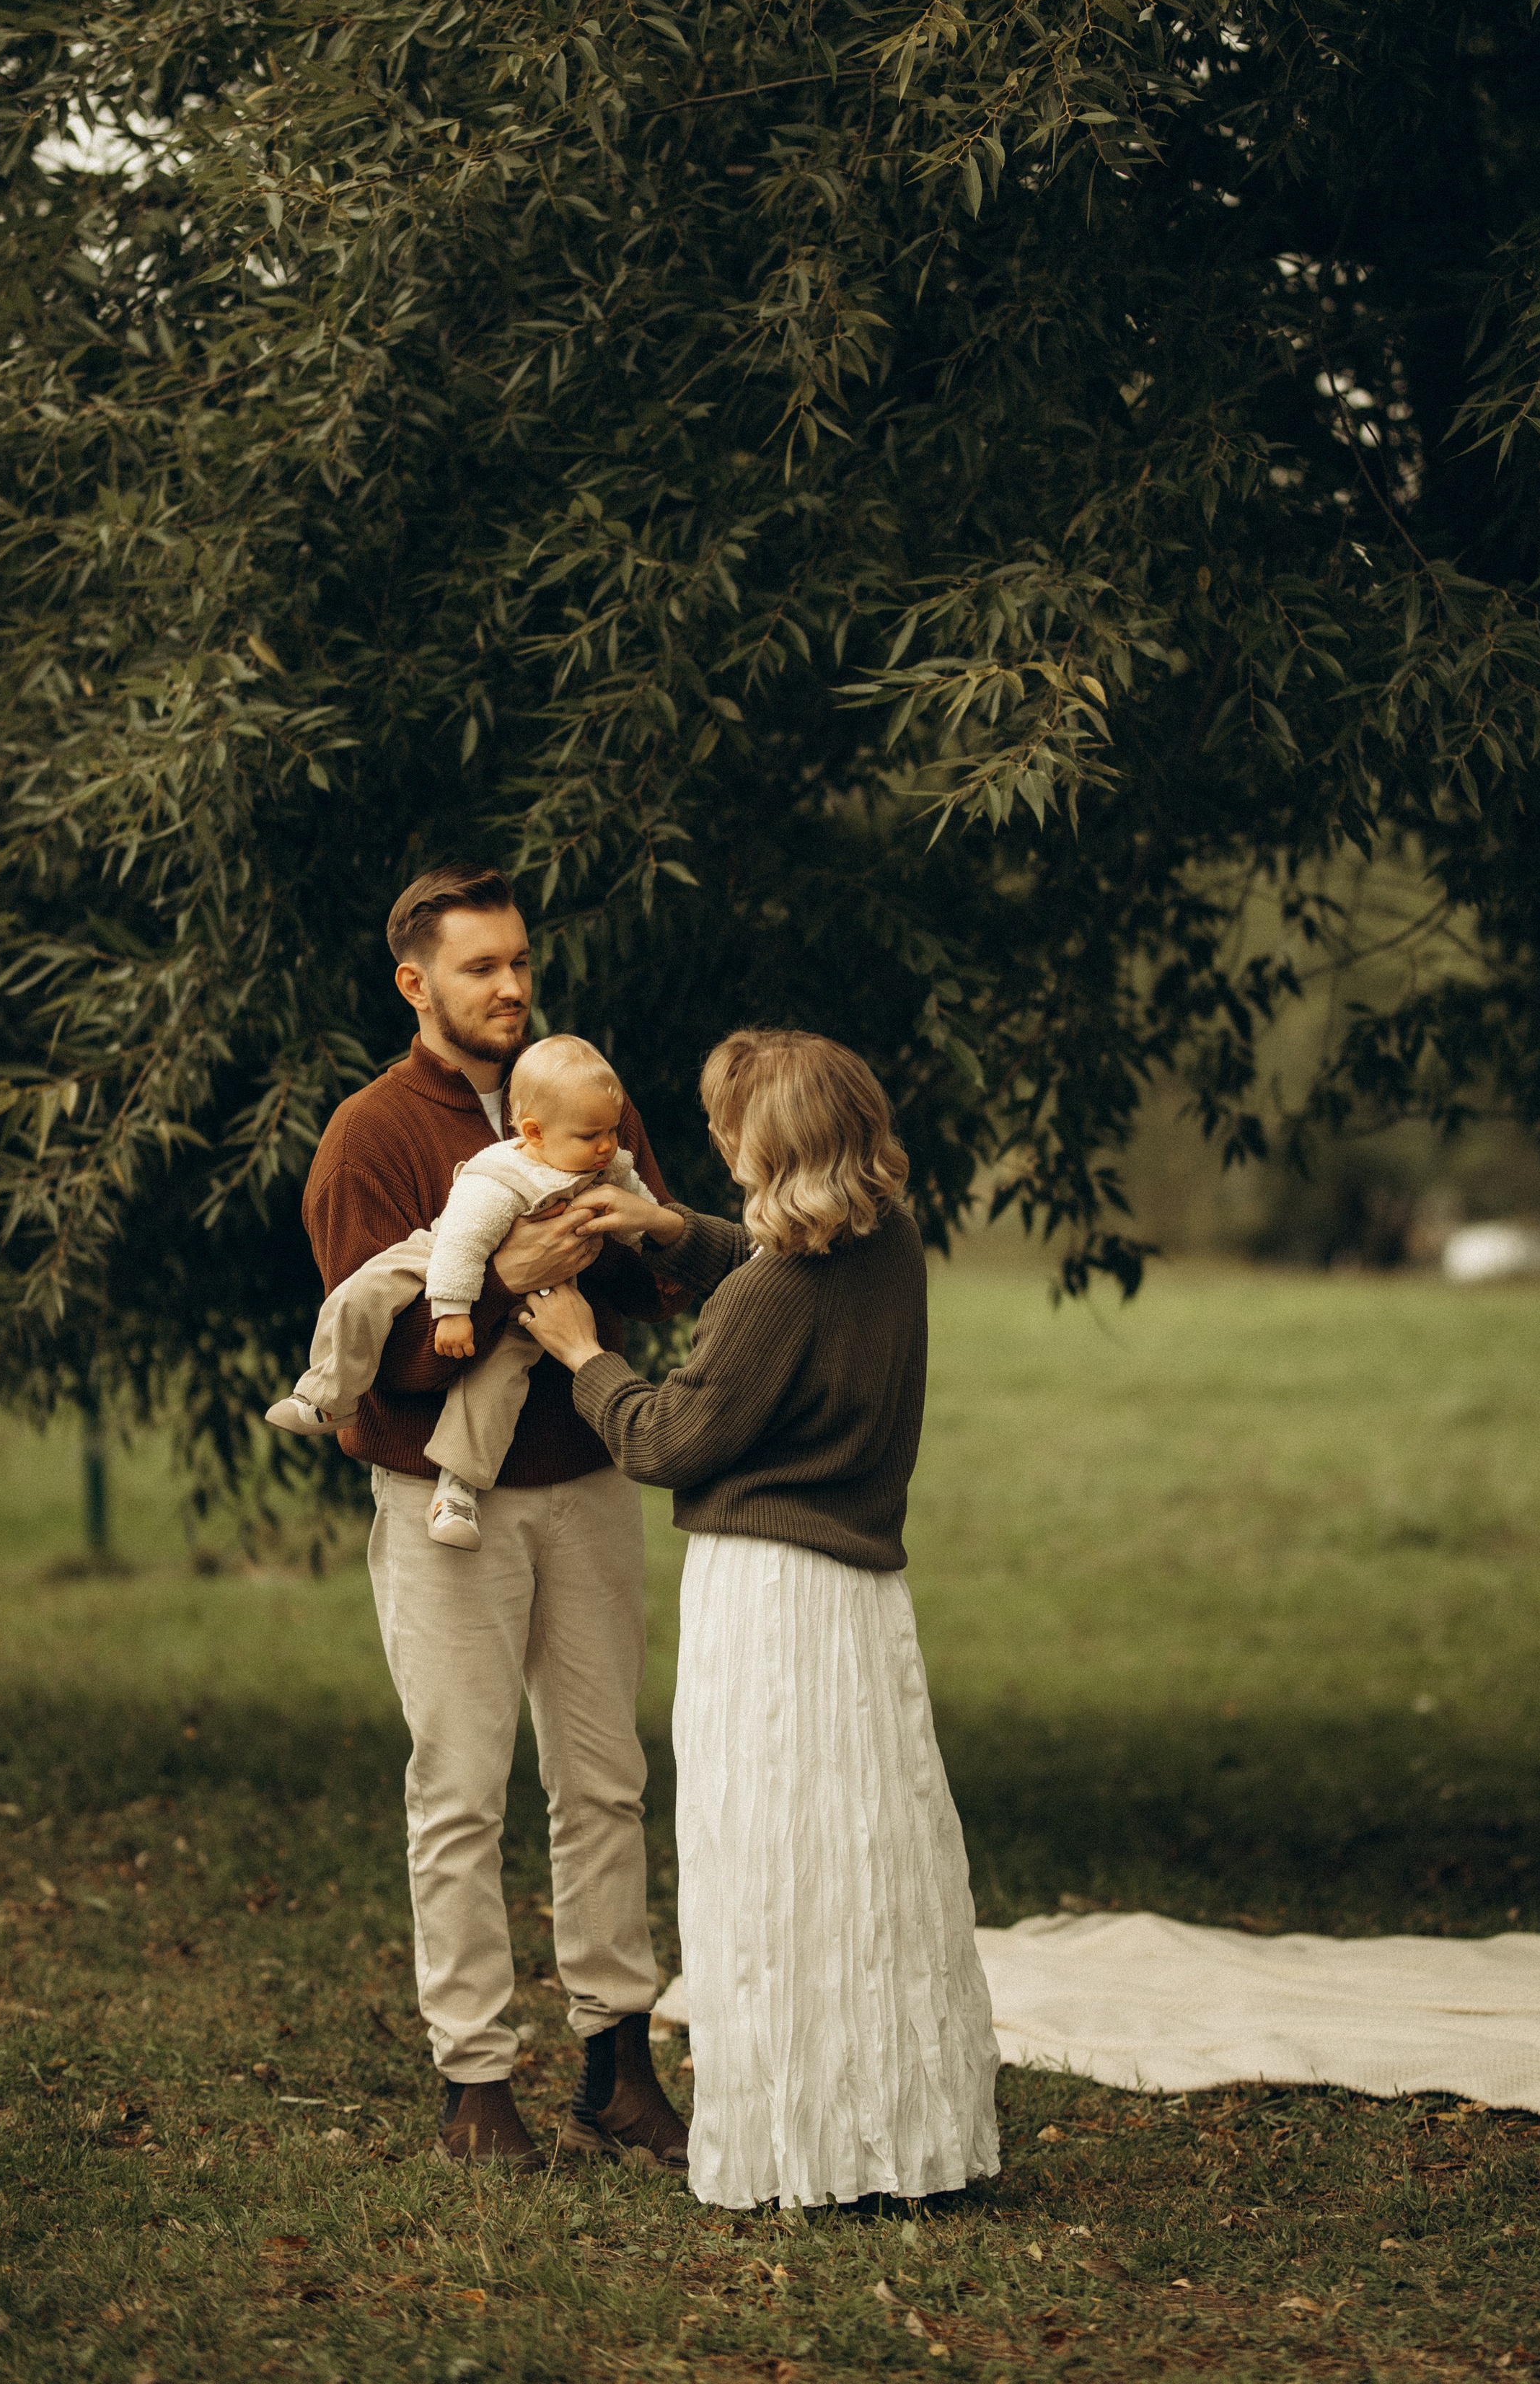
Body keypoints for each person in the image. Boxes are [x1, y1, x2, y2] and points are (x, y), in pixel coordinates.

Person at [521, 1026, 1000, 2209]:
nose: (719, 1150)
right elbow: (776, 1261)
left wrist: (585, 1354)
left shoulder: (766, 1302)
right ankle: (901, 2130)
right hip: (862, 1604)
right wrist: (664, 1228)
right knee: (866, 1862)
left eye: (732, 1136)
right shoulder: (890, 1244)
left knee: (778, 1860)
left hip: (772, 1604)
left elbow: (665, 1438)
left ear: (766, 1152)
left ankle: (804, 2144)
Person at [299, 863, 690, 2174]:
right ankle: (474, 2077)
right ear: (416, 984)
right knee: (460, 1787)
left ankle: (617, 2061)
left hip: (583, 1480)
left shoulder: (586, 1094)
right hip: (441, 1504)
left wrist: (628, 1246)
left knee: (605, 1779)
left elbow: (660, 1268)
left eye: (520, 961)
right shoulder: (370, 1136)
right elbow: (371, 1358)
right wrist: (505, 1275)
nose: (512, 985)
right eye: (481, 967)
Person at [266, 1032, 654, 1552]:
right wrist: (452, 1310)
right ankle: (330, 1390)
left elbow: (641, 1204)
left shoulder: (600, 1158)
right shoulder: (502, 1173)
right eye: (592, 1136)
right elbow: (463, 1244)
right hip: (440, 1254)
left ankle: (457, 1490)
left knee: (497, 1382)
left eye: (611, 1131)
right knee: (368, 1289)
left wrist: (654, 1227)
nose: (608, 1146)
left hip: (540, 1302)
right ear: (534, 1133)